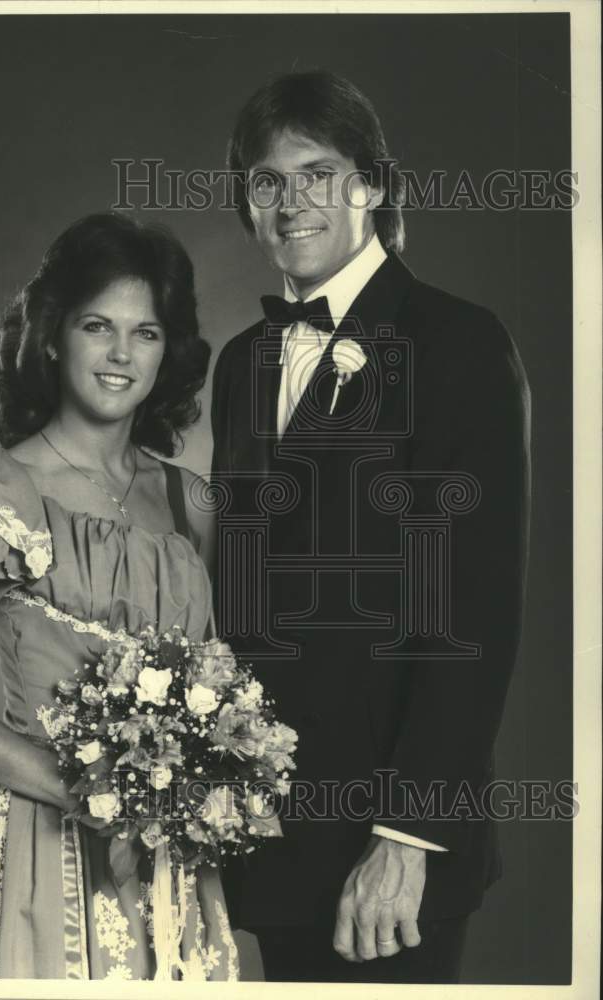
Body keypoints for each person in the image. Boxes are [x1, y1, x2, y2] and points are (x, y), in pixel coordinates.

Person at [211, 71, 530, 983]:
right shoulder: (244, 361)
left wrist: (408, 834)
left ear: (374, 184)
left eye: (318, 171)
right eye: (266, 180)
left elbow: (475, 609)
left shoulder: (457, 341)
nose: (290, 201)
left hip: (390, 854)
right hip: (266, 843)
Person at [0, 211, 239, 979]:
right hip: (29, 843)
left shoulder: (192, 503)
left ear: (167, 350)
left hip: (167, 859)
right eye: (97, 326)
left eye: (145, 333)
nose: (119, 354)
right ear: (50, 336)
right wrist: (96, 796)